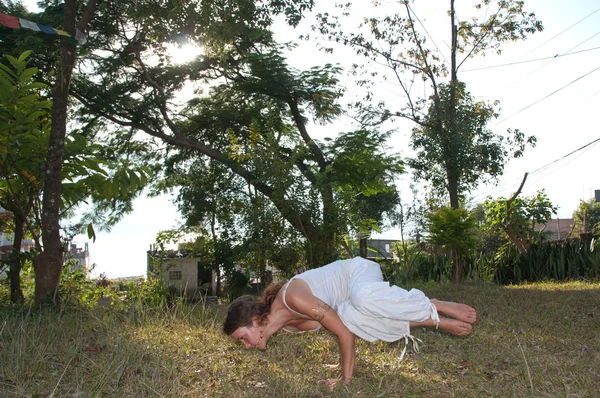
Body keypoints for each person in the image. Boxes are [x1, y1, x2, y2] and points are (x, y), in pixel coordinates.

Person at [223, 257, 476, 388]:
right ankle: (434, 320)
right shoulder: (288, 326)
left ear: (255, 320)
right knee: (357, 318)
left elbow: (343, 334)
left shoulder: (292, 298)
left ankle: (434, 304)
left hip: (358, 273)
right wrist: (340, 363)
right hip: (352, 300)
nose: (246, 345)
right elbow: (343, 326)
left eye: (243, 337)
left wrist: (345, 379)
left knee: (361, 299)